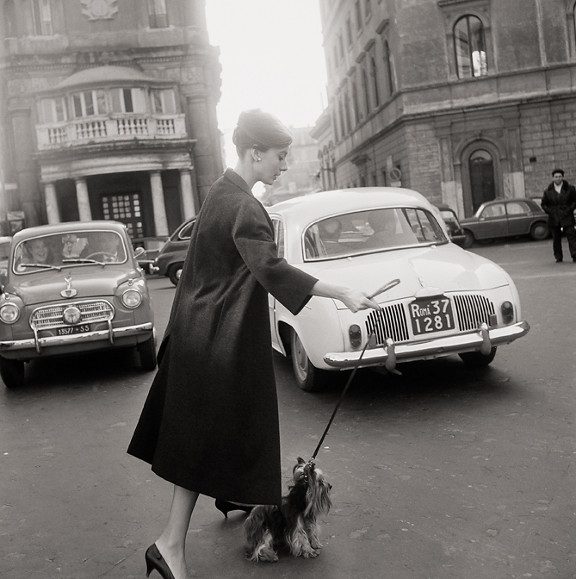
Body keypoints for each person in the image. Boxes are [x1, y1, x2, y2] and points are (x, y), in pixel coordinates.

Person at [127, 109, 380, 579]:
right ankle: (169, 545)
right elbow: (271, 269)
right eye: (281, 157)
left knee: (205, 441)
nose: (284, 164)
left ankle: (181, 537)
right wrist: (342, 292)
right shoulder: (244, 206)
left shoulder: (220, 194)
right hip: (215, 345)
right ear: (255, 153)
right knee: (205, 443)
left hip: (198, 338)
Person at [541, 168, 576, 263]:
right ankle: (558, 257)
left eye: (560, 176)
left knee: (571, 237)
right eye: (556, 177)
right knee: (556, 239)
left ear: (563, 177)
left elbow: (574, 201)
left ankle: (574, 255)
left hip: (567, 217)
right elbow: (544, 204)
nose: (558, 178)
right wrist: (551, 211)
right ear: (553, 178)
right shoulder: (548, 191)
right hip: (554, 218)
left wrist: (569, 209)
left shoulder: (570, 188)